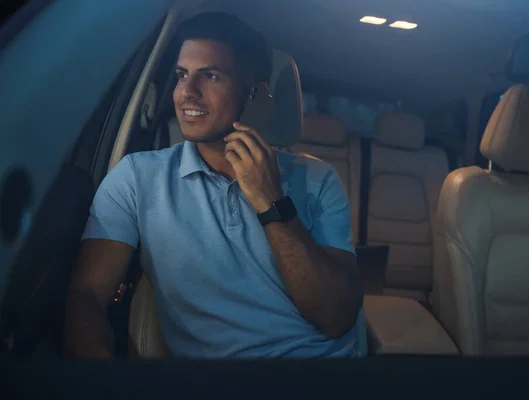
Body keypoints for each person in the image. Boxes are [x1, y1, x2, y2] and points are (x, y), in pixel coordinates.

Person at [64, 12, 362, 359]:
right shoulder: (136, 177)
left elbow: (336, 318)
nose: (187, 93)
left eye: (211, 76)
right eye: (181, 75)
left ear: (256, 94)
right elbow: (86, 295)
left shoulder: (317, 179)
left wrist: (272, 201)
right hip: (216, 385)